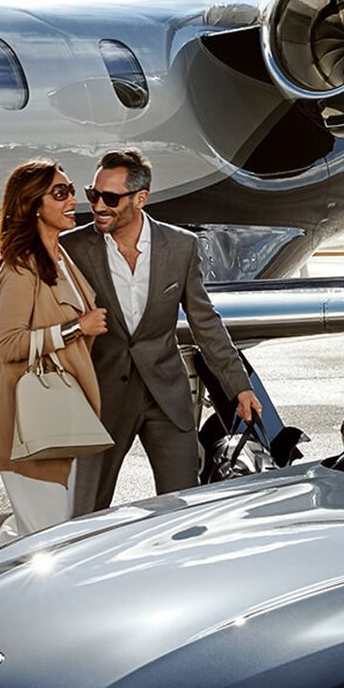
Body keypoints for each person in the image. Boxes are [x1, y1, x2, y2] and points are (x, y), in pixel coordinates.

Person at [61, 148, 260, 516]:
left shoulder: (181, 246)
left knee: (184, 509)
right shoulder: (73, 248)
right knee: (85, 513)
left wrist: (239, 385)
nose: (98, 206)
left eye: (110, 198)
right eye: (94, 194)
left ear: (140, 199)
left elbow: (205, 321)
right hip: (102, 398)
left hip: (166, 397)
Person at [0, 160, 109, 548]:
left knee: (29, 533)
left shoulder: (62, 258)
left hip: (57, 412)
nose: (72, 201)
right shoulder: (19, 267)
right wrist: (75, 328)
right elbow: (11, 344)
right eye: (60, 193)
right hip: (24, 416)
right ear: (33, 203)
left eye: (72, 191)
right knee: (46, 538)